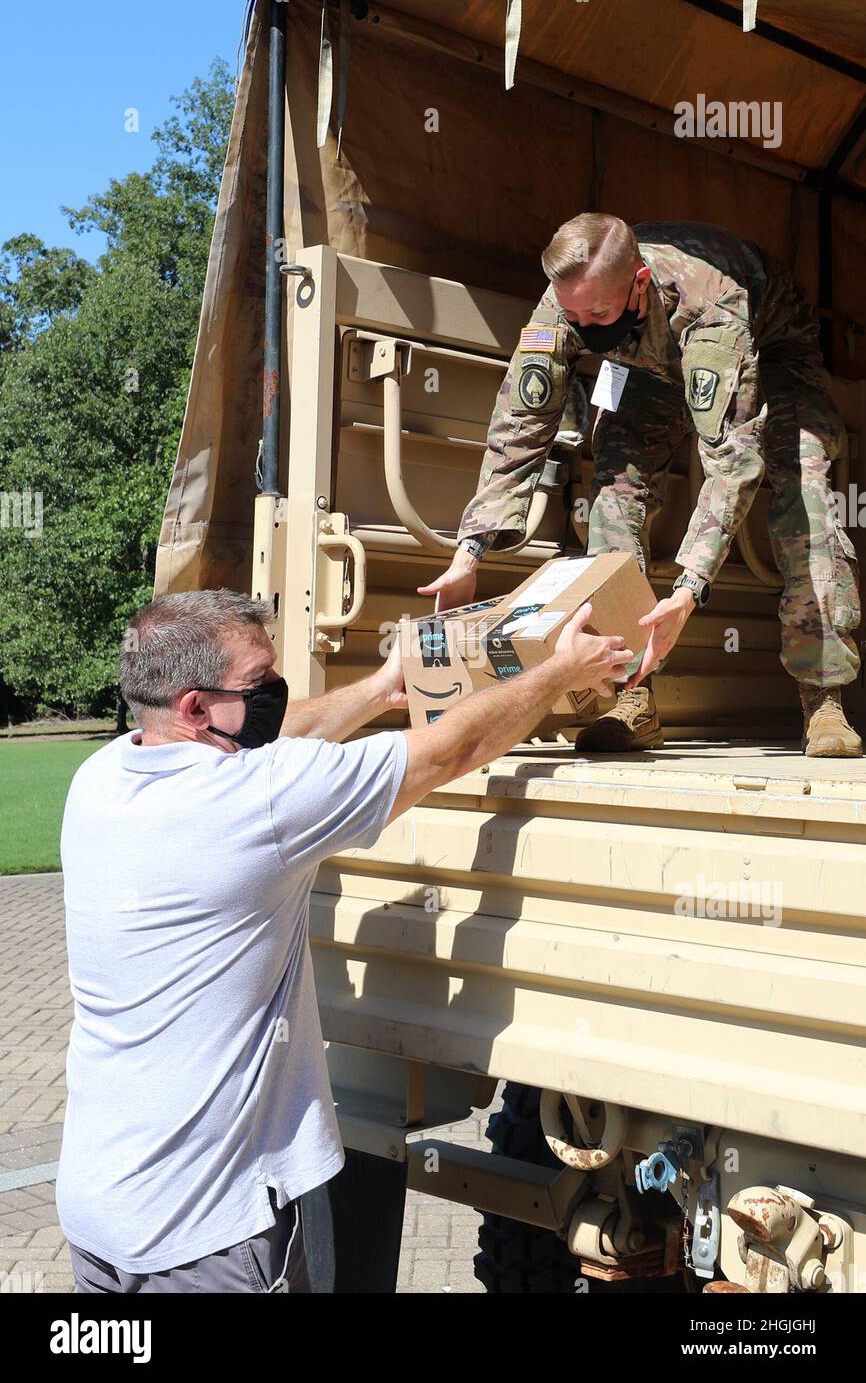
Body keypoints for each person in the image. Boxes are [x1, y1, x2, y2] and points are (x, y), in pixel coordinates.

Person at [57, 587, 631, 1292]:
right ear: (196, 708)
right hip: (207, 1239)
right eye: (258, 683)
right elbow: (454, 750)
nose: (275, 691)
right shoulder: (259, 801)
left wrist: (382, 688)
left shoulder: (102, 777)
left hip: (99, 1215)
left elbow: (282, 731)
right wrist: (558, 671)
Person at [419, 214, 862, 758]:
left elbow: (730, 462)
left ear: (640, 282)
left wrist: (687, 589)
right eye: (573, 314)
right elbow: (521, 422)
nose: (583, 326)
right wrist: (469, 553)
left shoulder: (711, 304)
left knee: (804, 489)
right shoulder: (564, 301)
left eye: (598, 313)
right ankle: (629, 695)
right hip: (650, 369)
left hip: (771, 351)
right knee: (612, 489)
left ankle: (823, 699)